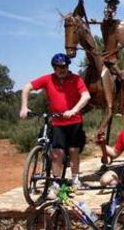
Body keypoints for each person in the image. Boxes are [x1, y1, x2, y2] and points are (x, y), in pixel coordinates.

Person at [19, 53, 91, 195]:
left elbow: (86, 96)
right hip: (58, 122)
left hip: (74, 121)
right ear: (54, 67)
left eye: (64, 66)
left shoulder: (75, 79)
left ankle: (76, 179)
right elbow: (27, 87)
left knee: (73, 151)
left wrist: (74, 110)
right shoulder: (48, 79)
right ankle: (56, 182)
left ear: (67, 66)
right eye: (58, 67)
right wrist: (24, 107)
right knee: (57, 154)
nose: (61, 69)